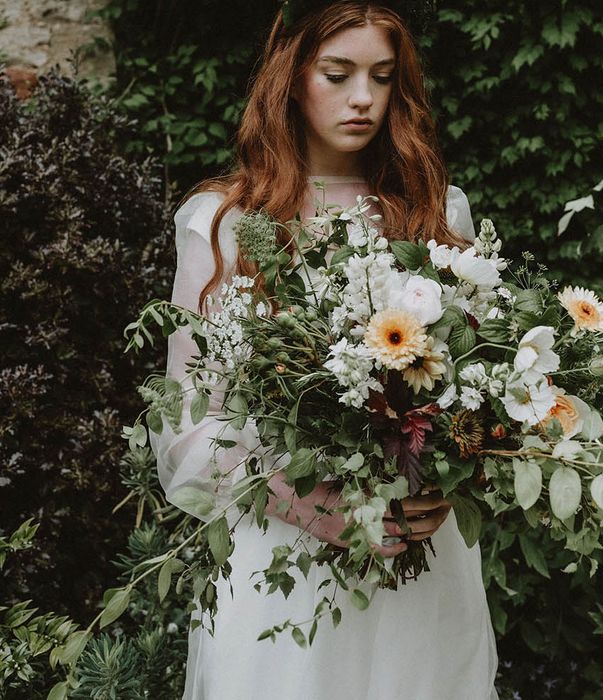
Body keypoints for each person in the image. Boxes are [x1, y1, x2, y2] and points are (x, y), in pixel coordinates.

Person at [150, 2, 499, 698]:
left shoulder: (438, 211)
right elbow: (188, 424)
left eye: (382, 77)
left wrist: (455, 478)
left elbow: (484, 388)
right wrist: (317, 510)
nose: (363, 98)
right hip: (283, 561)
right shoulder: (225, 223)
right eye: (337, 75)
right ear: (290, 77)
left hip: (419, 565)